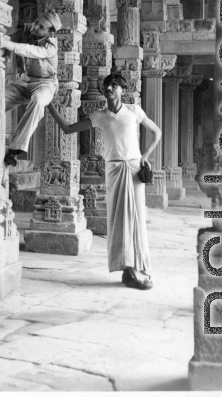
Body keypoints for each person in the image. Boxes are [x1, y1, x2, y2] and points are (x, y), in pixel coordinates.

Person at [46, 72, 161, 291]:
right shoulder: (100, 116)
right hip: (114, 169)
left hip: (134, 168)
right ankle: (127, 271)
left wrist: (144, 157)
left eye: (114, 86)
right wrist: (50, 106)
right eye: (107, 86)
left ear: (122, 90)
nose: (109, 89)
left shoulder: (134, 111)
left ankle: (140, 268)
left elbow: (156, 132)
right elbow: (68, 129)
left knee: (136, 218)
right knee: (118, 220)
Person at [0, 11, 62, 167]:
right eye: (36, 22)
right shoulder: (27, 30)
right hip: (25, 81)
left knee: (39, 102)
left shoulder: (51, 45)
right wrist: (2, 42)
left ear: (49, 33)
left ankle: (15, 149)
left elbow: (32, 51)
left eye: (41, 27)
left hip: (45, 84)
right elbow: (8, 39)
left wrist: (8, 45)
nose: (35, 26)